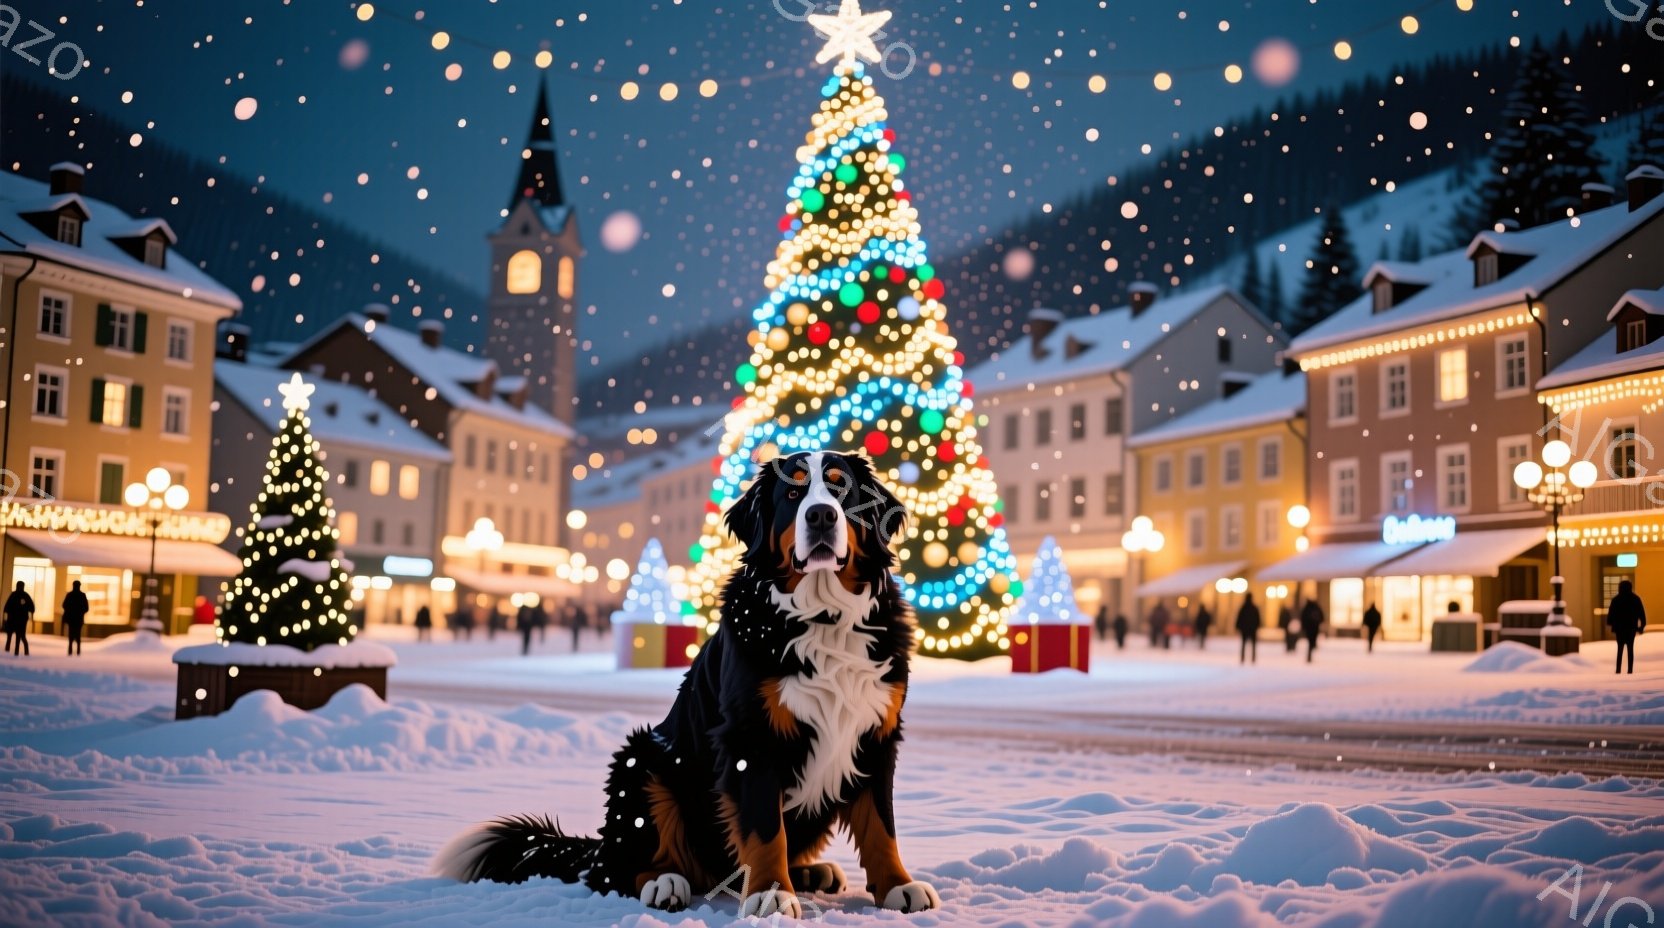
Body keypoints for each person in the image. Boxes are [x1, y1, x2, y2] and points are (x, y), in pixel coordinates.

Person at [1607, 580, 1646, 675]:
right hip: (1631, 628)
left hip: (1619, 629)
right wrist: (1641, 627)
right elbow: (1642, 615)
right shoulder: (1635, 599)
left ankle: (1618, 669)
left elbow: (1610, 616)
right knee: (1630, 648)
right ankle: (1630, 670)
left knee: (1620, 649)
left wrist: (1612, 624)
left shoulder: (1616, 600)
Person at [4, 581, 33, 657]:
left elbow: (6, 607)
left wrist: (6, 618)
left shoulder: (14, 595)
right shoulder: (25, 596)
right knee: (20, 636)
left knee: (11, 636)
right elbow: (32, 608)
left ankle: (8, 651)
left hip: (14, 619)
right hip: (21, 620)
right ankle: (20, 652)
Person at [62, 581, 89, 657]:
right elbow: (86, 608)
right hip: (78, 619)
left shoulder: (70, 595)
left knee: (71, 636)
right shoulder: (82, 595)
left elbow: (64, 605)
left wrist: (71, 610)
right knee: (78, 636)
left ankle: (70, 652)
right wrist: (80, 612)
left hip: (72, 619)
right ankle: (78, 652)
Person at [1236, 594, 1261, 664]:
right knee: (1253, 644)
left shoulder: (1243, 608)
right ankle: (1253, 657)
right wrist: (1257, 626)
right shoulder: (1254, 608)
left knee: (1244, 644)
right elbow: (1258, 619)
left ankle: (1243, 657)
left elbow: (1239, 618)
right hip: (1252, 629)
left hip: (1245, 629)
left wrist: (1238, 627)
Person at [1300, 597, 1325, 663]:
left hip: (1309, 628)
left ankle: (1311, 649)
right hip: (1315, 628)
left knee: (1310, 641)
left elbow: (1302, 618)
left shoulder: (1306, 608)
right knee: (1312, 640)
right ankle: (1312, 646)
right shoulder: (1316, 608)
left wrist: (1303, 627)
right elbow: (1322, 617)